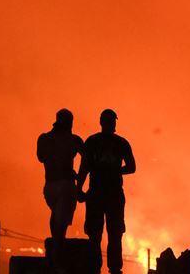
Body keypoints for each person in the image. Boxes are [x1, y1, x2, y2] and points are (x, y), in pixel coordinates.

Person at [77, 109, 136, 274]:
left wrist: (79, 190)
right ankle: (115, 269)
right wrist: (116, 171)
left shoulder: (91, 142)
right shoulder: (121, 143)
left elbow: (84, 168)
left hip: (96, 193)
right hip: (114, 195)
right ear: (113, 123)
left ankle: (94, 268)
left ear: (101, 122)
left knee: (95, 234)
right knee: (115, 234)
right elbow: (131, 167)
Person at [37, 108, 84, 269]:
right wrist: (79, 180)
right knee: (60, 226)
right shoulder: (73, 140)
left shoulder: (44, 139)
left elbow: (41, 157)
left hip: (49, 186)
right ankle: (56, 263)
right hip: (66, 186)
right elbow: (88, 158)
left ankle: (55, 256)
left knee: (55, 217)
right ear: (70, 122)